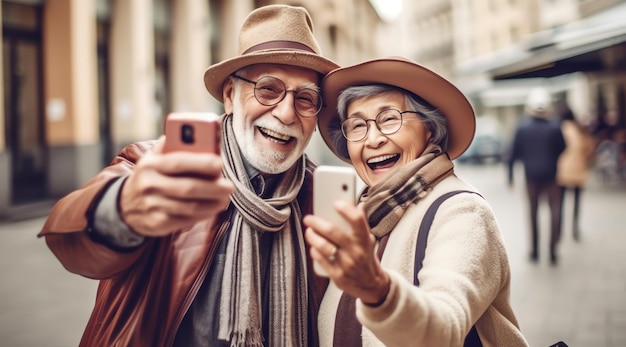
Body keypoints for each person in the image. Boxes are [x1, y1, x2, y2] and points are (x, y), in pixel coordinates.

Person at [37, 5, 338, 346]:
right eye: (268, 89)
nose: (285, 113)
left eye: (306, 99)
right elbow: (68, 241)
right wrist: (123, 209)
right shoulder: (161, 168)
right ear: (230, 96)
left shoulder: (322, 196)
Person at [305, 57, 528, 346]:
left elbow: (444, 329)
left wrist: (377, 290)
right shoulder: (364, 214)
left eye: (388, 119)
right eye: (358, 126)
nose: (372, 139)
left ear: (430, 128)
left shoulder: (462, 212)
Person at [507, 87, 566, 265]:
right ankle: (553, 250)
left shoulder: (522, 127)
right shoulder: (555, 126)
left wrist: (509, 176)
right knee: (555, 210)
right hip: (551, 174)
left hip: (531, 176)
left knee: (533, 212)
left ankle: (534, 251)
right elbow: (563, 147)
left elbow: (513, 153)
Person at [556, 103, 596, 241]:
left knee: (560, 203)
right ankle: (575, 229)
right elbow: (590, 146)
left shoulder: (559, 128)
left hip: (562, 170)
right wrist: (584, 158)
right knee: (576, 202)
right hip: (579, 169)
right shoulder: (580, 129)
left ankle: (558, 231)